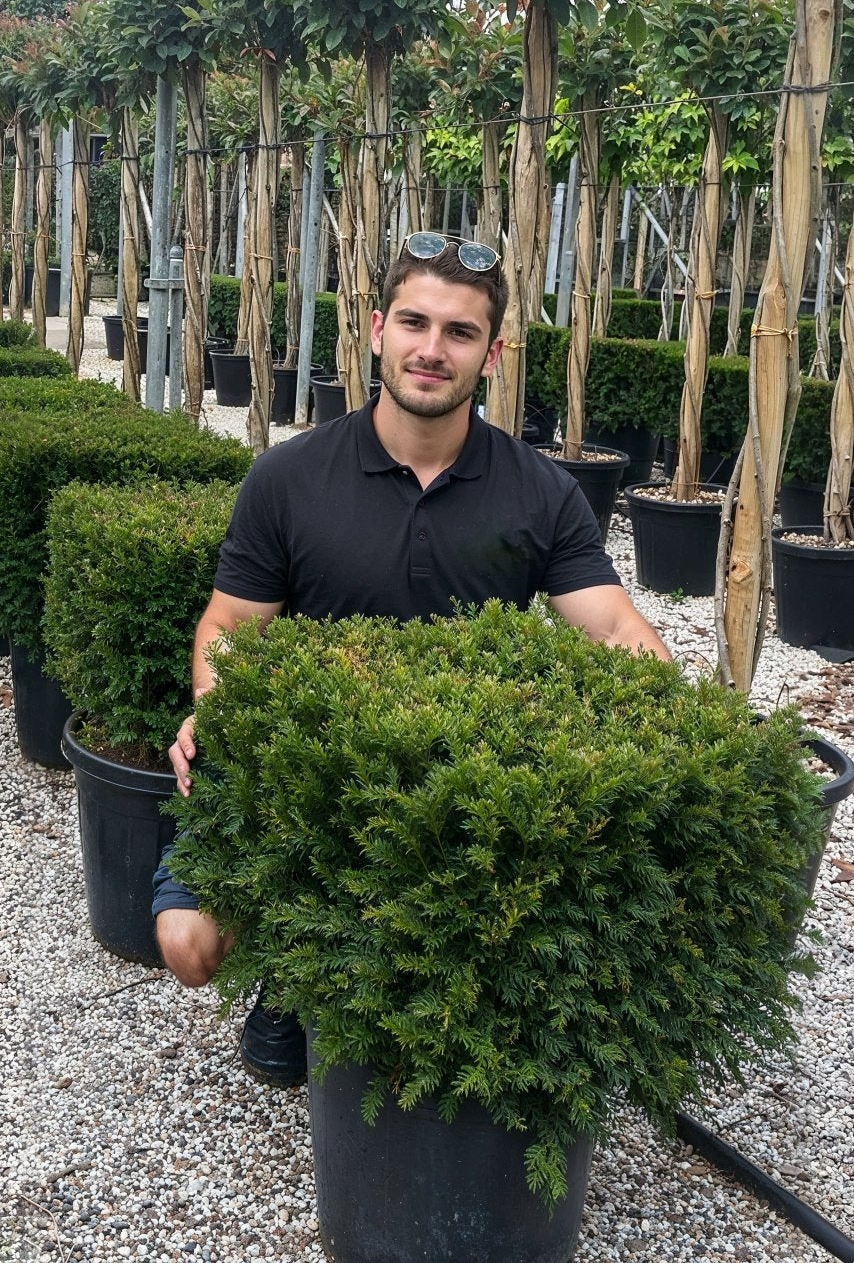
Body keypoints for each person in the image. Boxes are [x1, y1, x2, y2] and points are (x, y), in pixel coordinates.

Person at [154, 231, 673, 1086]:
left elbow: (613, 627)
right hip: (316, 768)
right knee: (189, 944)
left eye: (460, 333)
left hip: (465, 779)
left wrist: (682, 724)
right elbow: (231, 625)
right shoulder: (288, 478)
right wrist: (217, 703)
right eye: (414, 323)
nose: (432, 350)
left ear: (493, 355)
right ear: (374, 330)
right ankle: (293, 969)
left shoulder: (540, 491)